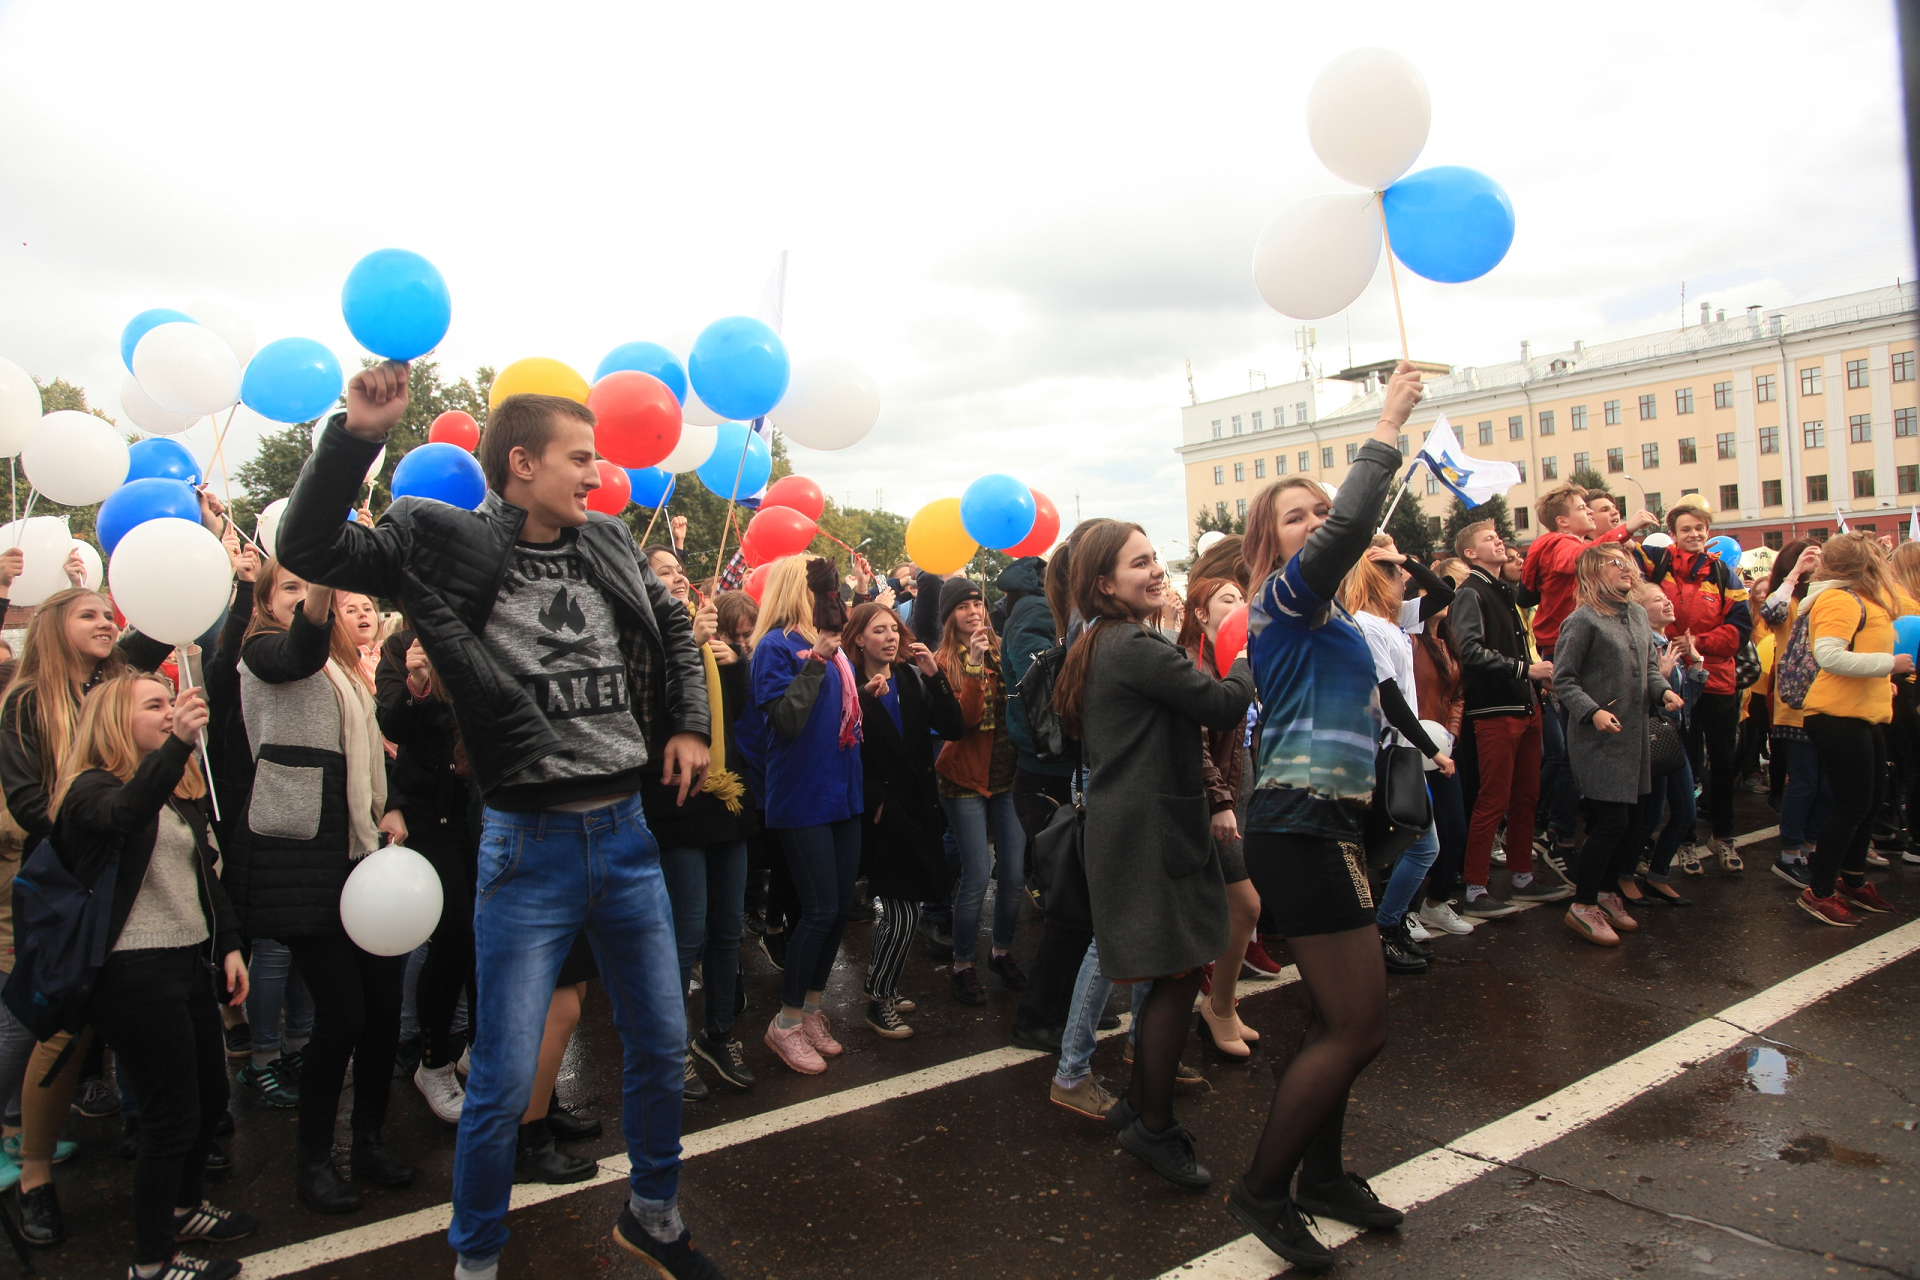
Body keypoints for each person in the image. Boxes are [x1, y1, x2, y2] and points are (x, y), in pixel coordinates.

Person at [278, 371, 717, 1280]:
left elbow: (674, 627)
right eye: (581, 456)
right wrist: (357, 434)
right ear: (522, 463)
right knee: (504, 1079)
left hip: (630, 837)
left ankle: (655, 1218)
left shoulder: (606, 542)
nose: (598, 474)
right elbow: (312, 543)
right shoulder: (441, 541)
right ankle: (475, 1260)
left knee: (662, 1045)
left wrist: (686, 720)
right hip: (529, 851)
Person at [1222, 360, 1424, 1270]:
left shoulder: (1324, 617)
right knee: (1360, 1026)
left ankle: (1326, 1177)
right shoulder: (1286, 599)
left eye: (1318, 510)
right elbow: (1349, 528)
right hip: (1300, 823)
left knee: (1339, 1023)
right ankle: (1263, 1190)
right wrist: (1385, 423)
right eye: (1294, 516)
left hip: (1326, 820)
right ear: (1271, 544)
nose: (1315, 523)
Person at [1051, 519, 1253, 1191]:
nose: (1157, 570)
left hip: (1136, 830)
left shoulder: (1110, 640)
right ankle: (1154, 1127)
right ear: (1105, 584)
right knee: (1170, 977)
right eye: (1140, 563)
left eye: (1154, 557)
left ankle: (1141, 1104)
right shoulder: (1131, 645)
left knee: (1167, 975)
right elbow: (1224, 704)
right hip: (1147, 835)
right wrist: (1242, 645)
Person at [50, 674, 255, 1280]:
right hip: (132, 972)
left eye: (172, 703)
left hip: (186, 958)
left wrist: (231, 945)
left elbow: (202, 872)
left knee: (211, 1097)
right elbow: (124, 814)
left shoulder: (169, 788)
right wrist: (178, 749)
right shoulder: (89, 789)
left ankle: (184, 1207)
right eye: (154, 705)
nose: (170, 713)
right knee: (168, 1118)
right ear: (115, 718)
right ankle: (151, 1263)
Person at [230, 559, 411, 1214]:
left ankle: (367, 1140)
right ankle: (313, 1160)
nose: (309, 599)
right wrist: (324, 577)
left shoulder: (346, 667)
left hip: (361, 850)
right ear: (265, 600)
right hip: (303, 860)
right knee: (342, 1014)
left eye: (316, 589)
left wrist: (389, 805)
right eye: (291, 587)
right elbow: (299, 650)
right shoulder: (262, 652)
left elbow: (374, 752)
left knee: (383, 1011)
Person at [0, 579, 173, 1243]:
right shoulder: (24, 703)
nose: (106, 622)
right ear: (52, 627)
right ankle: (36, 1176)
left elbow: (162, 621)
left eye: (109, 613)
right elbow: (24, 803)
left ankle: (154, 1138)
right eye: (89, 615)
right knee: (59, 1030)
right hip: (66, 883)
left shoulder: (118, 685)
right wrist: (91, 820)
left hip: (135, 873)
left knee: (136, 1006)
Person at [641, 545, 756, 1102]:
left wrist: (734, 668)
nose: (678, 578)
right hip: (677, 803)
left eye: (680, 571)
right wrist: (685, 647)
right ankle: (671, 1048)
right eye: (664, 571)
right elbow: (649, 714)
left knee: (727, 929)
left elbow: (734, 725)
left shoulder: (709, 645)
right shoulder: (645, 642)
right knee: (685, 933)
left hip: (725, 802)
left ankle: (718, 1033)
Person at [749, 556, 863, 1077]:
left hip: (843, 794)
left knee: (839, 909)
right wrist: (815, 661)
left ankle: (811, 1010)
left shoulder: (833, 645)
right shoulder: (774, 646)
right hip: (802, 798)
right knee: (817, 911)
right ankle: (786, 1022)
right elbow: (787, 720)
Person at [1339, 538, 1461, 975]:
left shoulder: (1394, 619)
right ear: (1379, 580)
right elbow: (1390, 700)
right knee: (1408, 845)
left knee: (1415, 844)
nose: (1407, 581)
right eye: (1398, 576)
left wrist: (1402, 558)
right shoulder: (1367, 627)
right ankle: (1384, 928)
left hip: (1404, 750)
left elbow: (1445, 593)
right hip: (1387, 750)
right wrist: (1434, 752)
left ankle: (1388, 926)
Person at [1552, 545, 1684, 945]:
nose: (1627, 569)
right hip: (1599, 739)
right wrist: (1591, 712)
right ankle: (1583, 905)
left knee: (1636, 819)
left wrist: (1662, 692)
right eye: (1616, 563)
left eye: (1628, 563)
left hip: (1635, 736)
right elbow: (1563, 680)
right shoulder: (1582, 620)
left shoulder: (1638, 614)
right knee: (1611, 822)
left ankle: (1607, 892)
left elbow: (1647, 667)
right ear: (1594, 572)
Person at [1521, 485, 1658, 869]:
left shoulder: (1575, 548)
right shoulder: (1558, 542)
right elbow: (1581, 558)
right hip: (1568, 647)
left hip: (1585, 647)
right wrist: (1624, 531)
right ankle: (1560, 835)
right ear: (1563, 519)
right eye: (1585, 508)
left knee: (1584, 751)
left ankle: (1590, 834)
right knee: (1571, 753)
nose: (1595, 515)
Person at [845, 602, 962, 1038]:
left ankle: (885, 986)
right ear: (859, 639)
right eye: (879, 631)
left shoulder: (912, 678)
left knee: (907, 908)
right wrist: (874, 803)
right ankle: (878, 998)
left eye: (893, 629)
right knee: (901, 912)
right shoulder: (850, 686)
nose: (891, 637)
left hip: (921, 807)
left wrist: (936, 675)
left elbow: (952, 727)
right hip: (883, 814)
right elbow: (847, 753)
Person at [374, 627, 476, 1126]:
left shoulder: (483, 626)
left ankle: (476, 1051)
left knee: (486, 937)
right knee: (453, 936)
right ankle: (432, 1063)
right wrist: (418, 682)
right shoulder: (402, 645)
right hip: (427, 814)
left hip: (484, 808)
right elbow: (392, 725)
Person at [1794, 532, 1910, 925]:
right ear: (1868, 563)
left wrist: (1883, 677)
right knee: (1852, 804)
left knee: (1872, 800)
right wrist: (1888, 665)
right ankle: (1820, 889)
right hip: (1837, 714)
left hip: (1864, 713)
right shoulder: (1839, 599)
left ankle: (1853, 880)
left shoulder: (1858, 598)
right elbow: (1829, 656)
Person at [1449, 521, 1559, 919]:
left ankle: (1522, 875)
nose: (1499, 542)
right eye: (1488, 540)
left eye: (1498, 537)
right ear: (1470, 554)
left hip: (1522, 705)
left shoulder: (1501, 590)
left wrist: (1534, 680)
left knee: (1526, 796)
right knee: (1493, 799)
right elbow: (1469, 650)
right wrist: (1525, 670)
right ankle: (1476, 888)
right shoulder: (1470, 592)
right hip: (1495, 709)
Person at [933, 577, 1028, 1004]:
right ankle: (962, 963)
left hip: (1008, 776)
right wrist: (972, 663)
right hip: (964, 778)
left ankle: (1001, 951)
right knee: (975, 877)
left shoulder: (1002, 649)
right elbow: (965, 721)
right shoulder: (942, 662)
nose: (973, 611)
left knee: (1012, 874)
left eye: (978, 604)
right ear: (950, 616)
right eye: (962, 606)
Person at [1647, 500, 1752, 872]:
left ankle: (1723, 836)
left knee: (1723, 762)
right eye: (1686, 528)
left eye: (1700, 528)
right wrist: (1676, 649)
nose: (1694, 534)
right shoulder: (1655, 564)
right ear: (1673, 533)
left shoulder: (1724, 573)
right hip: (1671, 680)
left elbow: (1740, 631)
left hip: (1717, 680)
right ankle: (1685, 839)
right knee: (1683, 763)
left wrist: (1698, 646)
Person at [1623, 581, 1698, 906]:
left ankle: (1658, 874)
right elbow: (1636, 699)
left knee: (1685, 813)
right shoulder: (1643, 645)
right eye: (1658, 600)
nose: (1668, 603)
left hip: (1673, 738)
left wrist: (1696, 663)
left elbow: (1686, 703)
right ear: (1641, 609)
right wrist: (1662, 678)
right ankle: (1624, 875)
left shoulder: (1668, 643)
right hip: (1651, 739)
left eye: (1667, 598)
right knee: (1649, 817)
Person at [1758, 541, 1827, 888]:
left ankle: (1810, 848)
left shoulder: (1828, 598)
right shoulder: (1792, 601)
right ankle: (1789, 855)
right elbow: (1771, 613)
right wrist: (1795, 572)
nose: (1817, 559)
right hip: (1796, 707)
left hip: (1831, 704)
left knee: (1827, 786)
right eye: (1808, 555)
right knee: (1805, 782)